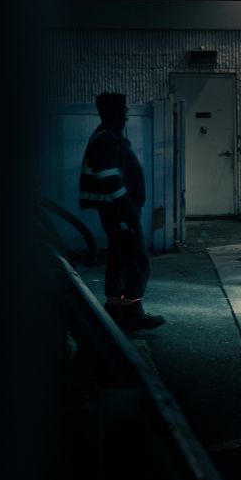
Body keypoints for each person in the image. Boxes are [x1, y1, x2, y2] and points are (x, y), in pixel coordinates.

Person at [79, 92, 165, 331]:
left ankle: (116, 309)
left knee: (121, 258)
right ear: (116, 113)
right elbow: (110, 180)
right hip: (119, 211)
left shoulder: (111, 137)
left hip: (118, 210)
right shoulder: (106, 139)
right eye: (124, 109)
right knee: (137, 258)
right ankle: (132, 312)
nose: (127, 114)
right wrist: (128, 210)